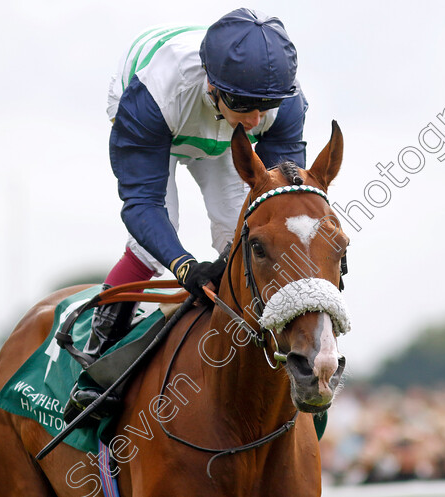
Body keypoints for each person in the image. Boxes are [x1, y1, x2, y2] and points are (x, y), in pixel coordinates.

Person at [66, 7, 309, 418]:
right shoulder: (154, 93)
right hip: (163, 119)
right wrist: (185, 267)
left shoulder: (284, 104)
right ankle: (96, 364)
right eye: (244, 104)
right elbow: (143, 204)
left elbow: (282, 205)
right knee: (152, 247)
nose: (254, 119)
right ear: (213, 85)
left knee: (246, 240)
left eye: (264, 106)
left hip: (214, 125)